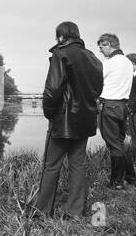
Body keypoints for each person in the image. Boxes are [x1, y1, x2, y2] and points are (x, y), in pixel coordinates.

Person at [33, 21, 103, 219]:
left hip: (62, 121)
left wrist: (49, 113)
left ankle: (42, 211)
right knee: (78, 164)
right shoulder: (93, 58)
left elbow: (53, 89)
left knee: (51, 165)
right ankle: (74, 211)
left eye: (57, 38)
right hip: (85, 120)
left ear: (61, 37)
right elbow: (98, 89)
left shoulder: (60, 53)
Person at [97, 34, 136, 190]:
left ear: (110, 45)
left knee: (113, 145)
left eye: (101, 46)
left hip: (109, 105)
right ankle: (131, 178)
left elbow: (97, 81)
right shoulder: (128, 62)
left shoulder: (109, 63)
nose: (100, 50)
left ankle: (116, 182)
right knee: (119, 143)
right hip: (123, 106)